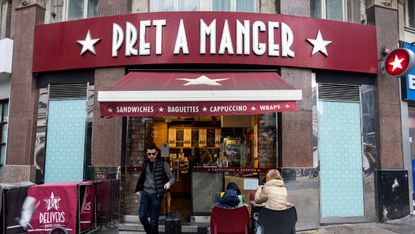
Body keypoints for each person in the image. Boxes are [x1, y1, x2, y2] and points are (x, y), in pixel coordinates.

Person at [135, 143, 175, 234]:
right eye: (149, 154)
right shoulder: (145, 162)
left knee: (154, 221)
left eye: (153, 154)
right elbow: (142, 177)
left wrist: (169, 183)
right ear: (147, 154)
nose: (151, 156)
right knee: (142, 216)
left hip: (156, 194)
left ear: (157, 153)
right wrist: (138, 189)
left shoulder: (163, 163)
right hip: (145, 193)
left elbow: (172, 177)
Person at [252, 169, 293, 234]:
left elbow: (257, 200)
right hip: (282, 220)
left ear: (268, 177)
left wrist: (259, 189)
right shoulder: (284, 189)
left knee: (255, 217)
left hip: (270, 220)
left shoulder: (267, 188)